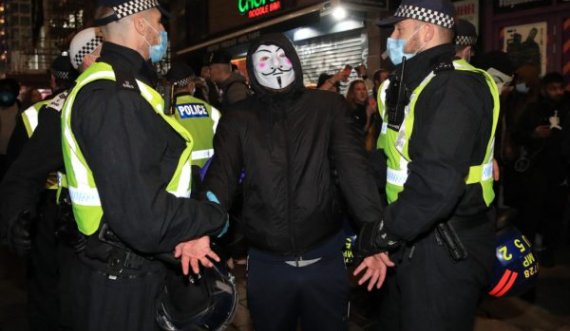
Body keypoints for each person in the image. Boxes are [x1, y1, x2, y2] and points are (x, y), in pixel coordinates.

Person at [202, 33, 393, 331]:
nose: (275, 66)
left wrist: (374, 236)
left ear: (295, 60)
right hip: (267, 266)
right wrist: (202, 227)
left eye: (282, 57)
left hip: (325, 261)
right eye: (265, 60)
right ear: (251, 71)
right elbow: (221, 177)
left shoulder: (327, 106)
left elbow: (354, 171)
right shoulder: (238, 117)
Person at [60, 1, 227, 330]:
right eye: (158, 21)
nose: (162, 30)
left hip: (133, 267)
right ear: (139, 24)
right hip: (122, 282)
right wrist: (213, 218)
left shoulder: (125, 87)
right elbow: (143, 218)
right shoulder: (113, 97)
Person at [370, 0, 500, 329]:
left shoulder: (455, 87)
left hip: (446, 246)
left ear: (427, 32)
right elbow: (387, 159)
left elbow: (438, 184)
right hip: (410, 237)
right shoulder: (407, 85)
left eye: (400, 29)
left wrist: (384, 232)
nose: (392, 38)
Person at [0, 28, 102, 331]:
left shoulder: (37, 113)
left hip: (56, 214)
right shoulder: (62, 111)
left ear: (54, 80)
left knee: (51, 291)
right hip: (70, 219)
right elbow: (21, 175)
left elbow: (16, 171)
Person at [513, 72, 569, 267]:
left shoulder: (567, 109)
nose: (558, 93)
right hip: (536, 170)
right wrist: (534, 134)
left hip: (560, 171)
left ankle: (548, 252)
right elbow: (517, 134)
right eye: (553, 89)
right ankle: (525, 254)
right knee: (530, 213)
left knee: (554, 214)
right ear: (545, 90)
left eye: (560, 88)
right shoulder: (534, 110)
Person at [165, 61, 221, 169]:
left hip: (182, 176)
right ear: (191, 85)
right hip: (209, 173)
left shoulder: (166, 111)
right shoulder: (211, 110)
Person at [0, 78, 21, 181]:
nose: (5, 94)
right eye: (3, 90)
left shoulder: (22, 111)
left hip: (14, 159)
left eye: (9, 91)